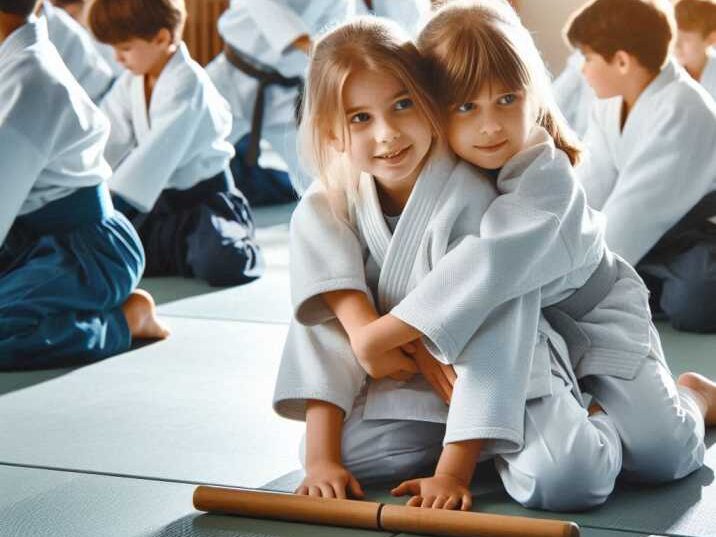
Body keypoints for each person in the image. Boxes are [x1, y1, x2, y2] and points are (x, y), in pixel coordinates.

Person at [279, 0, 716, 510]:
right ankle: (522, 429)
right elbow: (327, 224)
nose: (490, 128)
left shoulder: (541, 179)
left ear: (533, 95)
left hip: (589, 315)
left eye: (508, 99)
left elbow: (485, 269)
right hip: (509, 331)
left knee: (663, 454)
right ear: (436, 104)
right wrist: (367, 331)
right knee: (559, 475)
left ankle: (692, 399)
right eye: (465, 106)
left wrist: (383, 334)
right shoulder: (413, 163)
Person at [0, 0, 168, 368]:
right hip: (28, 238)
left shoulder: (31, 80)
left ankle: (126, 320)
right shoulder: (18, 61)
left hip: (84, 251)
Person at [88, 0, 264, 287]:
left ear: (162, 38)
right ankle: (177, 254)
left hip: (203, 204)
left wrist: (109, 204)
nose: (118, 59)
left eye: (125, 48)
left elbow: (154, 154)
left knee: (222, 262)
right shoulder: (131, 81)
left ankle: (236, 237)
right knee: (97, 249)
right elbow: (108, 138)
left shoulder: (189, 85)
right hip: (157, 204)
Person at [568, 0, 716, 332]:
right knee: (583, 261)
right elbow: (590, 183)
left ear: (622, 61)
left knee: (694, 302)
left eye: (589, 58)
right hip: (651, 235)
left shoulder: (683, 106)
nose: (583, 70)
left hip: (697, 233)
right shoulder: (608, 104)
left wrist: (572, 289)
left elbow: (636, 209)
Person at [40, 0, 114, 102]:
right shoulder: (52, 20)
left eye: (73, 15)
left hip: (99, 93)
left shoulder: (57, 23)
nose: (73, 20)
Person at [674, 0, 716, 99]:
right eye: (675, 36)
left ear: (711, 39)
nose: (677, 45)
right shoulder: (663, 71)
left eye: (686, 39)